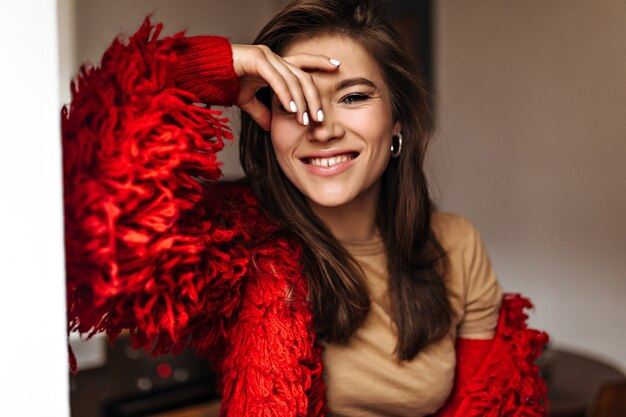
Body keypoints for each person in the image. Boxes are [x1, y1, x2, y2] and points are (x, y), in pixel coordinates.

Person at [63, 1, 548, 416]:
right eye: (294, 102)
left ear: (397, 119)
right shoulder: (235, 245)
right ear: (267, 124)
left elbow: (490, 405)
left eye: (353, 96)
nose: (321, 126)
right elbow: (87, 201)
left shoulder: (455, 244)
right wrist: (211, 68)